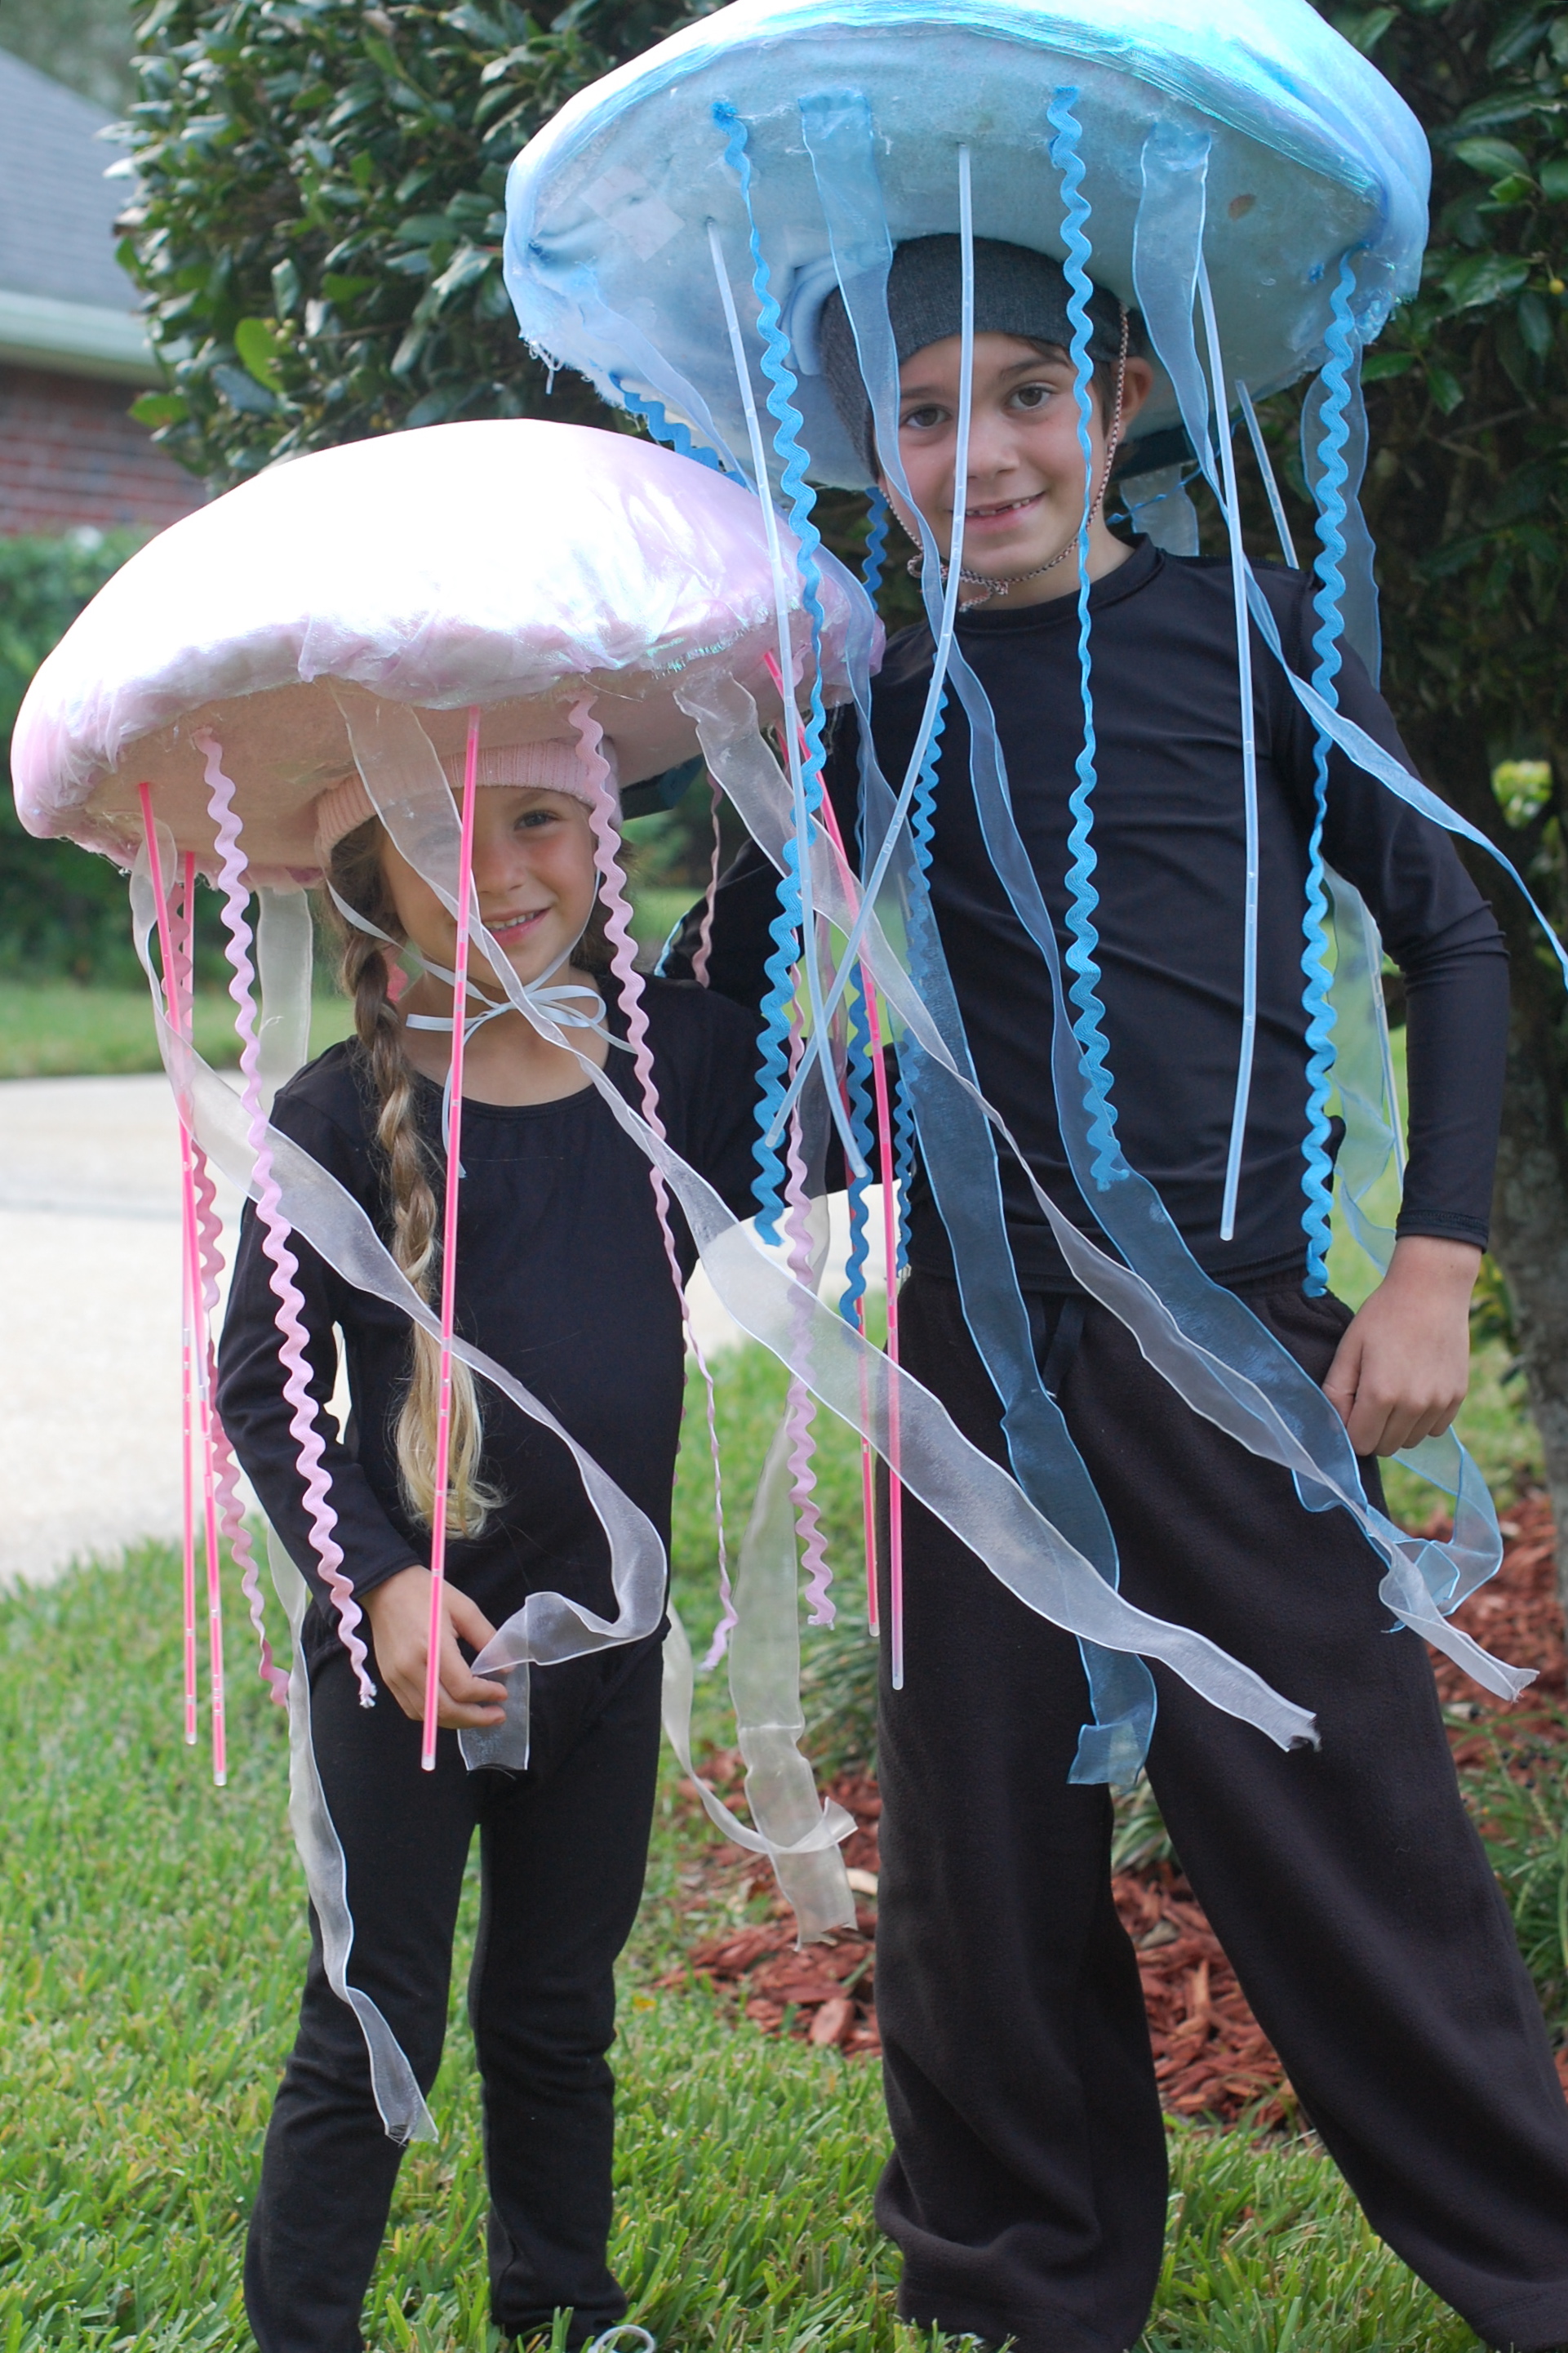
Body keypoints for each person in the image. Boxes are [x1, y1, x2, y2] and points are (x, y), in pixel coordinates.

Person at [668, 236, 1568, 2353]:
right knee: (980, 1853)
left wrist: (1431, 1260)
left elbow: (1447, 931)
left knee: (1343, 1821)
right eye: (918, 414)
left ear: (1126, 400)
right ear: (864, 451)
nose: (975, 450)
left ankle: (1535, 2270)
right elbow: (754, 999)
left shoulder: (1251, 634)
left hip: (1231, 1331)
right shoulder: (866, 692)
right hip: (969, 1366)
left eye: (1022, 395)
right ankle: (1018, 2284)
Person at [218, 742, 761, 2353]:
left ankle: (564, 2304)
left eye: (537, 817)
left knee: (552, 2007)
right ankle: (304, 2326)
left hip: (602, 1649)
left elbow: (832, 1086)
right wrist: (374, 1577)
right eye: (441, 840)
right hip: (414, 1658)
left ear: (599, 833)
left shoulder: (675, 1066)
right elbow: (262, 1381)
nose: (504, 870)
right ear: (372, 898)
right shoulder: (331, 1110)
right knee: (370, 2009)